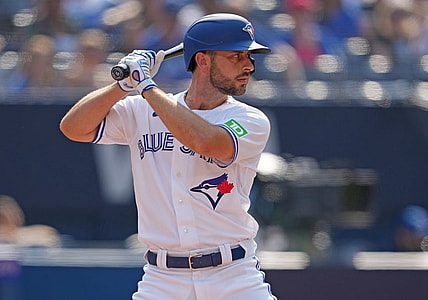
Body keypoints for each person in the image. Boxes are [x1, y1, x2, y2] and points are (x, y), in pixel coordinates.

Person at [60, 13, 276, 299]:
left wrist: (146, 85)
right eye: (236, 56)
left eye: (249, 56)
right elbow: (73, 127)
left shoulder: (249, 118)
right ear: (202, 60)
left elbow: (206, 141)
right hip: (162, 279)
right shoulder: (141, 110)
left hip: (233, 276)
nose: (248, 65)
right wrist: (121, 86)